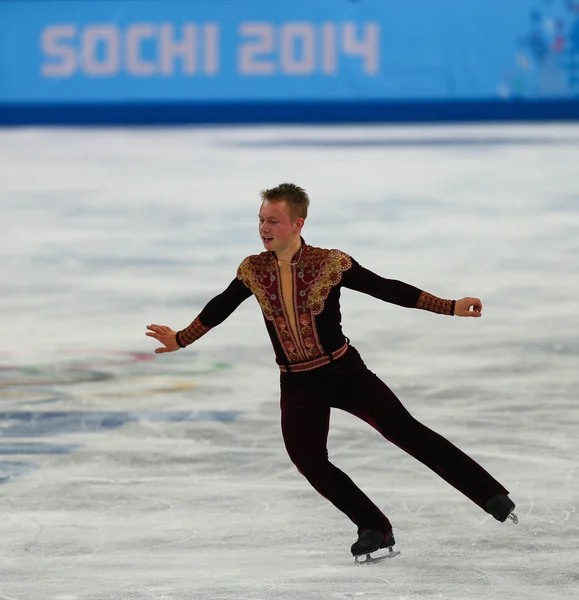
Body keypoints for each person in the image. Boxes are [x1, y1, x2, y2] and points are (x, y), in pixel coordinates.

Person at [146, 183, 517, 563]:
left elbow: (385, 288)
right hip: (297, 383)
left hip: (344, 372)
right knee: (308, 459)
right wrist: (181, 338)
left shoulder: (329, 263)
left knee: (405, 431)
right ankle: (374, 527)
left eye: (273, 220)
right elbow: (220, 306)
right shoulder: (253, 269)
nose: (264, 227)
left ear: (297, 223)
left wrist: (449, 306)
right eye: (261, 220)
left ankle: (489, 494)